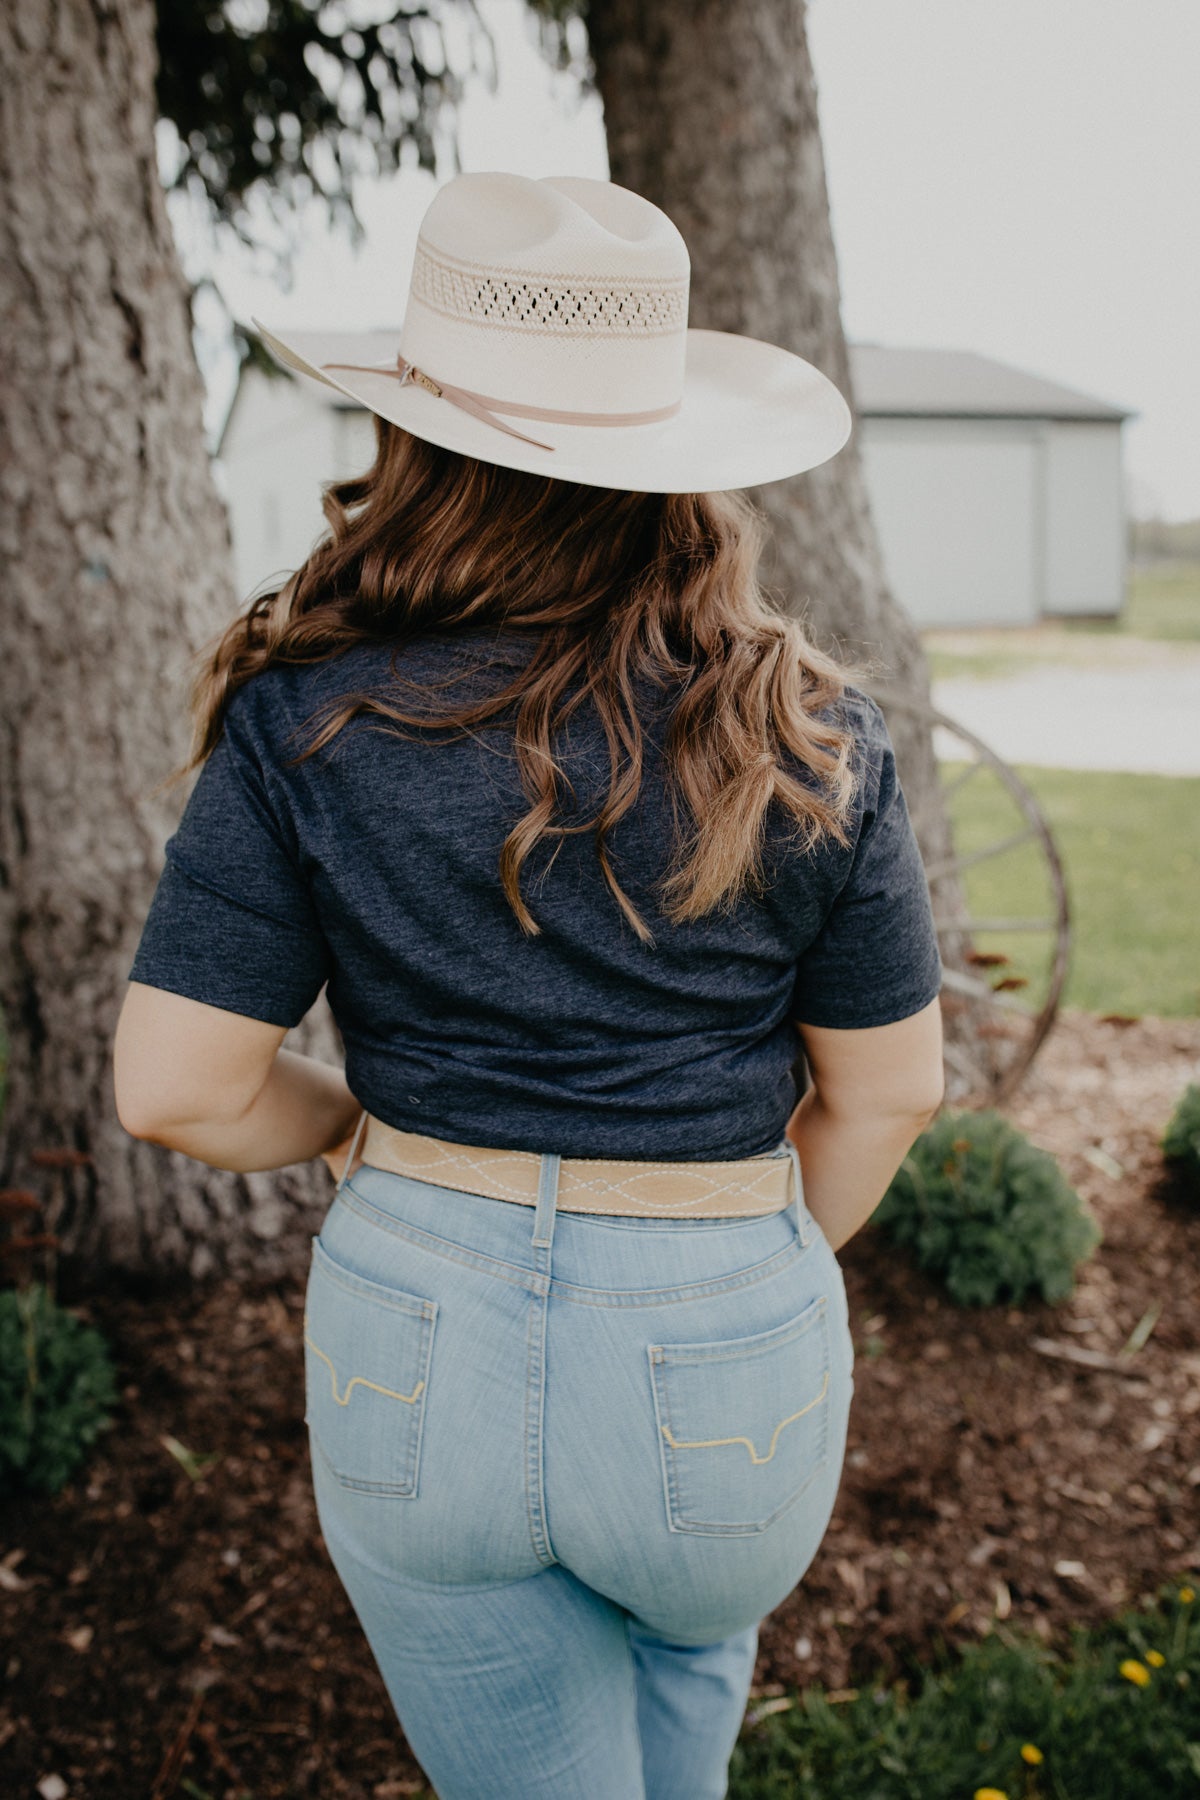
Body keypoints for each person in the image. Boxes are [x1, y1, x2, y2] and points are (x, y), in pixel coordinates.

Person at [113, 172, 945, 1800]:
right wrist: (714, 1269)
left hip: (420, 1327)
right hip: (725, 1342)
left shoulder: (309, 714)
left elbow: (174, 1088)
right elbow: (891, 1090)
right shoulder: (806, 732)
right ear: (679, 460)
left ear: (411, 437)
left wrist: (362, 1136)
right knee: (690, 1669)